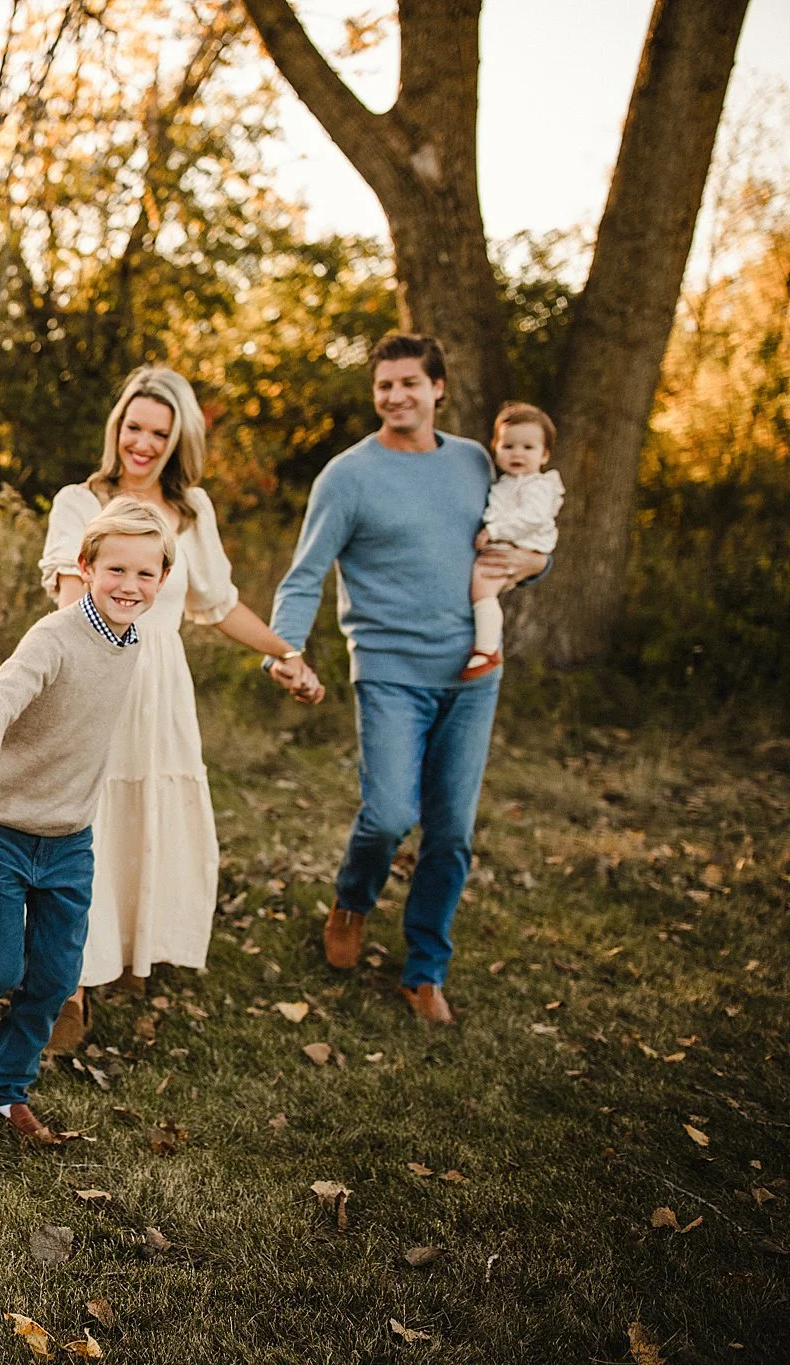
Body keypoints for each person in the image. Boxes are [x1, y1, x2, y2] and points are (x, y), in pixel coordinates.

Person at [270, 333, 549, 1024]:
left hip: (472, 672)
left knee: (450, 833)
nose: (396, 395)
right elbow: (305, 573)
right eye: (384, 385)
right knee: (392, 813)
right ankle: (353, 900)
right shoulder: (347, 475)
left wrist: (528, 566)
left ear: (438, 389)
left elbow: (531, 531)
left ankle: (424, 970)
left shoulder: (475, 461)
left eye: (409, 383)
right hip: (390, 672)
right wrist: (286, 649)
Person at [37, 367, 322, 1037]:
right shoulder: (81, 501)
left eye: (158, 433)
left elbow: (217, 604)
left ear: (177, 439)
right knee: (86, 824)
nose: (142, 443)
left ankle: (130, 952)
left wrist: (286, 653)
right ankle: (68, 980)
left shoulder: (192, 509)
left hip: (162, 689)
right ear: (117, 429)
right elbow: (67, 598)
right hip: (97, 674)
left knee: (144, 816)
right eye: (133, 427)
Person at [0, 498, 168, 1143]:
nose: (129, 586)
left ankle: (6, 1091)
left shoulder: (133, 643)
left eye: (145, 575)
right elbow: (1, 694)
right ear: (85, 566)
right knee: (0, 968)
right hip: (2, 827)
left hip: (69, 839)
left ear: (162, 581)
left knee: (58, 975)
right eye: (116, 570)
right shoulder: (54, 636)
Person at [460, 402, 564, 679]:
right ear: (496, 447)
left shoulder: (537, 485)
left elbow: (533, 517)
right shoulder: (503, 482)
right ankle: (485, 646)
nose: (517, 453)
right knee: (483, 587)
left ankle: (486, 649)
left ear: (545, 454)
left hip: (521, 543)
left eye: (528, 448)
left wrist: (494, 531)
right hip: (506, 541)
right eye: (509, 446)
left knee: (482, 586)